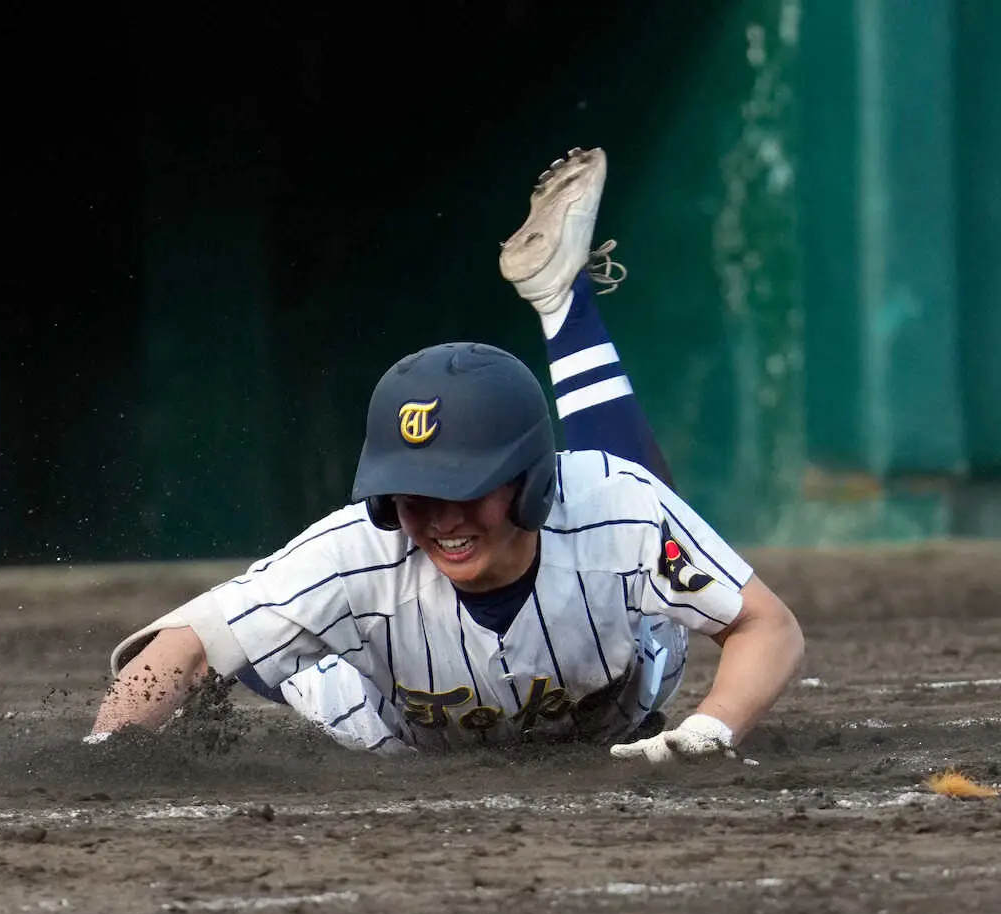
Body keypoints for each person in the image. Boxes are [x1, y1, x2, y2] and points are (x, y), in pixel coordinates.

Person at [89, 147, 804, 762]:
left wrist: (713, 728)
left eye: (465, 487)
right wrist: (109, 759)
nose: (438, 518)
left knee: (636, 503)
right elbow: (180, 644)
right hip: (382, 720)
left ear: (528, 484)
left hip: (626, 686)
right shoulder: (357, 555)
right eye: (413, 492)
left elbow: (765, 625)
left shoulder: (617, 516)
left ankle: (565, 306)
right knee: (249, 650)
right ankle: (563, 304)